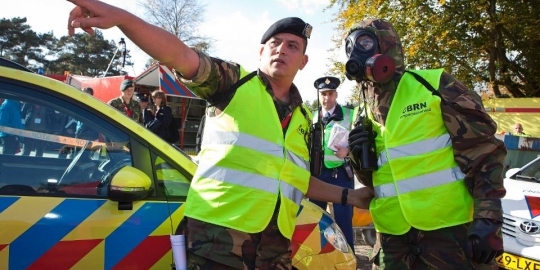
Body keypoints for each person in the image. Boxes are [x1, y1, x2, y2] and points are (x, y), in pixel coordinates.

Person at [67, 2, 374, 269]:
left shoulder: (304, 118)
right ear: (261, 51)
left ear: (303, 61)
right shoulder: (234, 83)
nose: (282, 49)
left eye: (292, 46)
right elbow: (181, 56)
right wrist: (123, 18)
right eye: (275, 43)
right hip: (218, 243)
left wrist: (350, 196)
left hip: (275, 249)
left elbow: (294, 178)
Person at [344, 19, 506, 269]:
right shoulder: (360, 110)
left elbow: (485, 152)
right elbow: (376, 180)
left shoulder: (434, 85)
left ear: (387, 46)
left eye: (365, 42)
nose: (357, 52)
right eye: (351, 47)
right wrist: (358, 159)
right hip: (392, 239)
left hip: (449, 234)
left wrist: (489, 217)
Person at [309, 76, 356, 249]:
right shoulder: (312, 117)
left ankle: (349, 261)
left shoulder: (350, 114)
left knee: (343, 221)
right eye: (323, 94)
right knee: (315, 220)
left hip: (341, 174)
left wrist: (348, 151)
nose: (326, 98)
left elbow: (363, 142)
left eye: (330, 94)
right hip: (318, 175)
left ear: (336, 95)